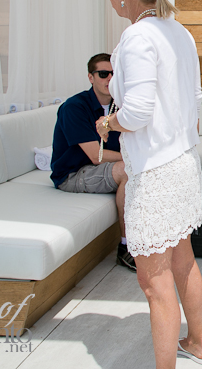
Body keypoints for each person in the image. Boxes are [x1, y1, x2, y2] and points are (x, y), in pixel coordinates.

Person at [93, 0, 202, 367]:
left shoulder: (137, 37)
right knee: (183, 260)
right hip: (184, 163)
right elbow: (194, 104)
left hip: (156, 172)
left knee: (154, 282)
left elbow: (138, 113)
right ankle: (196, 342)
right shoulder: (179, 32)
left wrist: (108, 123)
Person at [50, 53, 135, 272]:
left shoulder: (120, 106)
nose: (110, 79)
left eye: (114, 74)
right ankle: (126, 247)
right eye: (103, 74)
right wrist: (135, 158)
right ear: (91, 77)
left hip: (102, 169)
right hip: (73, 174)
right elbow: (96, 156)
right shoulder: (74, 107)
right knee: (129, 170)